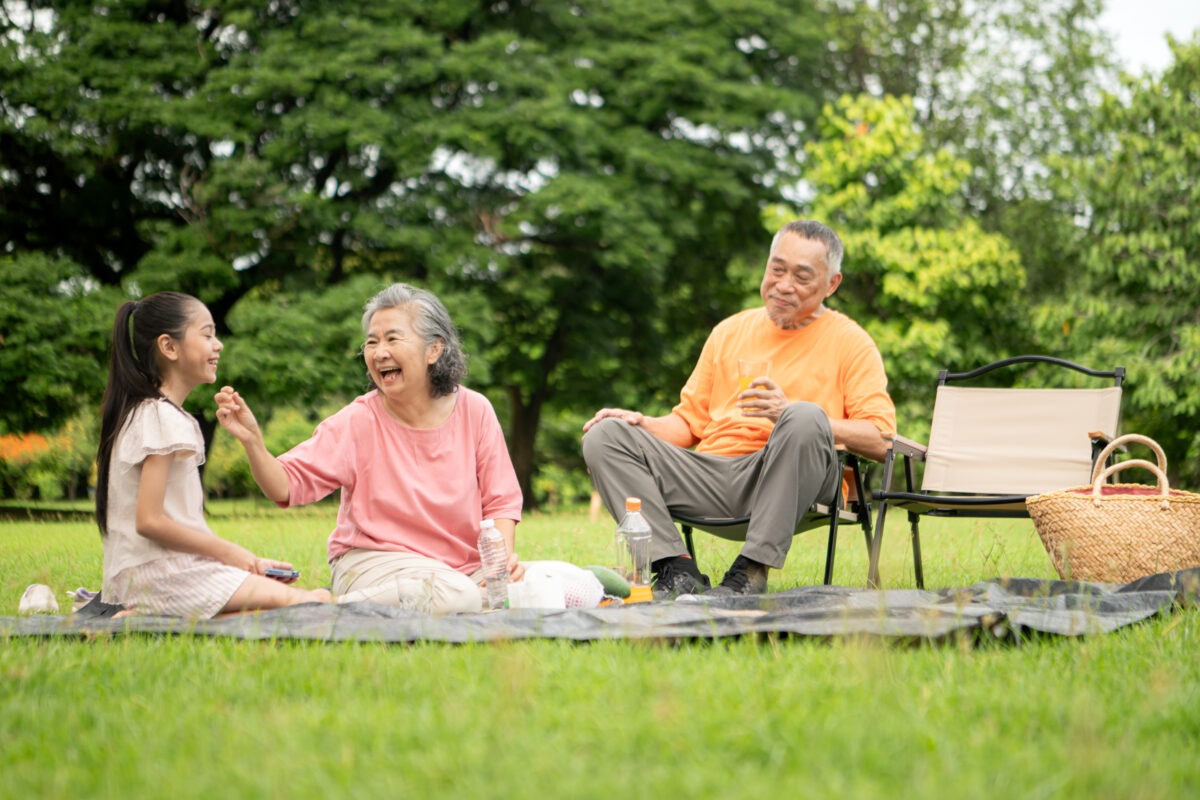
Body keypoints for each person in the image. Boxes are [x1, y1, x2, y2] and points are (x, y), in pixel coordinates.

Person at [582, 220, 896, 597]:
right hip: (714, 475)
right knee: (605, 435)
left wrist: (789, 413)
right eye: (776, 269)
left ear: (832, 284)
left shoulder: (851, 343)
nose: (783, 284)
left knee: (804, 416)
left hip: (794, 475)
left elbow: (883, 441)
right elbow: (688, 424)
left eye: (801, 276)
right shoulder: (729, 331)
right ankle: (676, 569)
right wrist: (642, 423)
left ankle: (751, 572)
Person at [215, 282, 524, 614]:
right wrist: (253, 442)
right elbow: (284, 485)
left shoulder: (476, 410)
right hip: (373, 562)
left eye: (392, 338)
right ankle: (312, 605)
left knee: (548, 586)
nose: (379, 352)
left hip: (461, 569)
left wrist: (499, 569)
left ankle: (471, 600)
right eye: (371, 342)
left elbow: (501, 502)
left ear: (434, 350)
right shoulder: (358, 421)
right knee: (458, 596)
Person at [94, 292, 332, 618]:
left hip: (156, 575)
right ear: (169, 347)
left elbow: (174, 522)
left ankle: (151, 618)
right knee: (314, 602)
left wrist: (248, 562)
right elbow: (149, 521)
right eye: (207, 334)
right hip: (163, 577)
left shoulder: (149, 413)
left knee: (292, 603)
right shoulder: (161, 417)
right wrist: (230, 552)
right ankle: (154, 615)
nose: (218, 345)